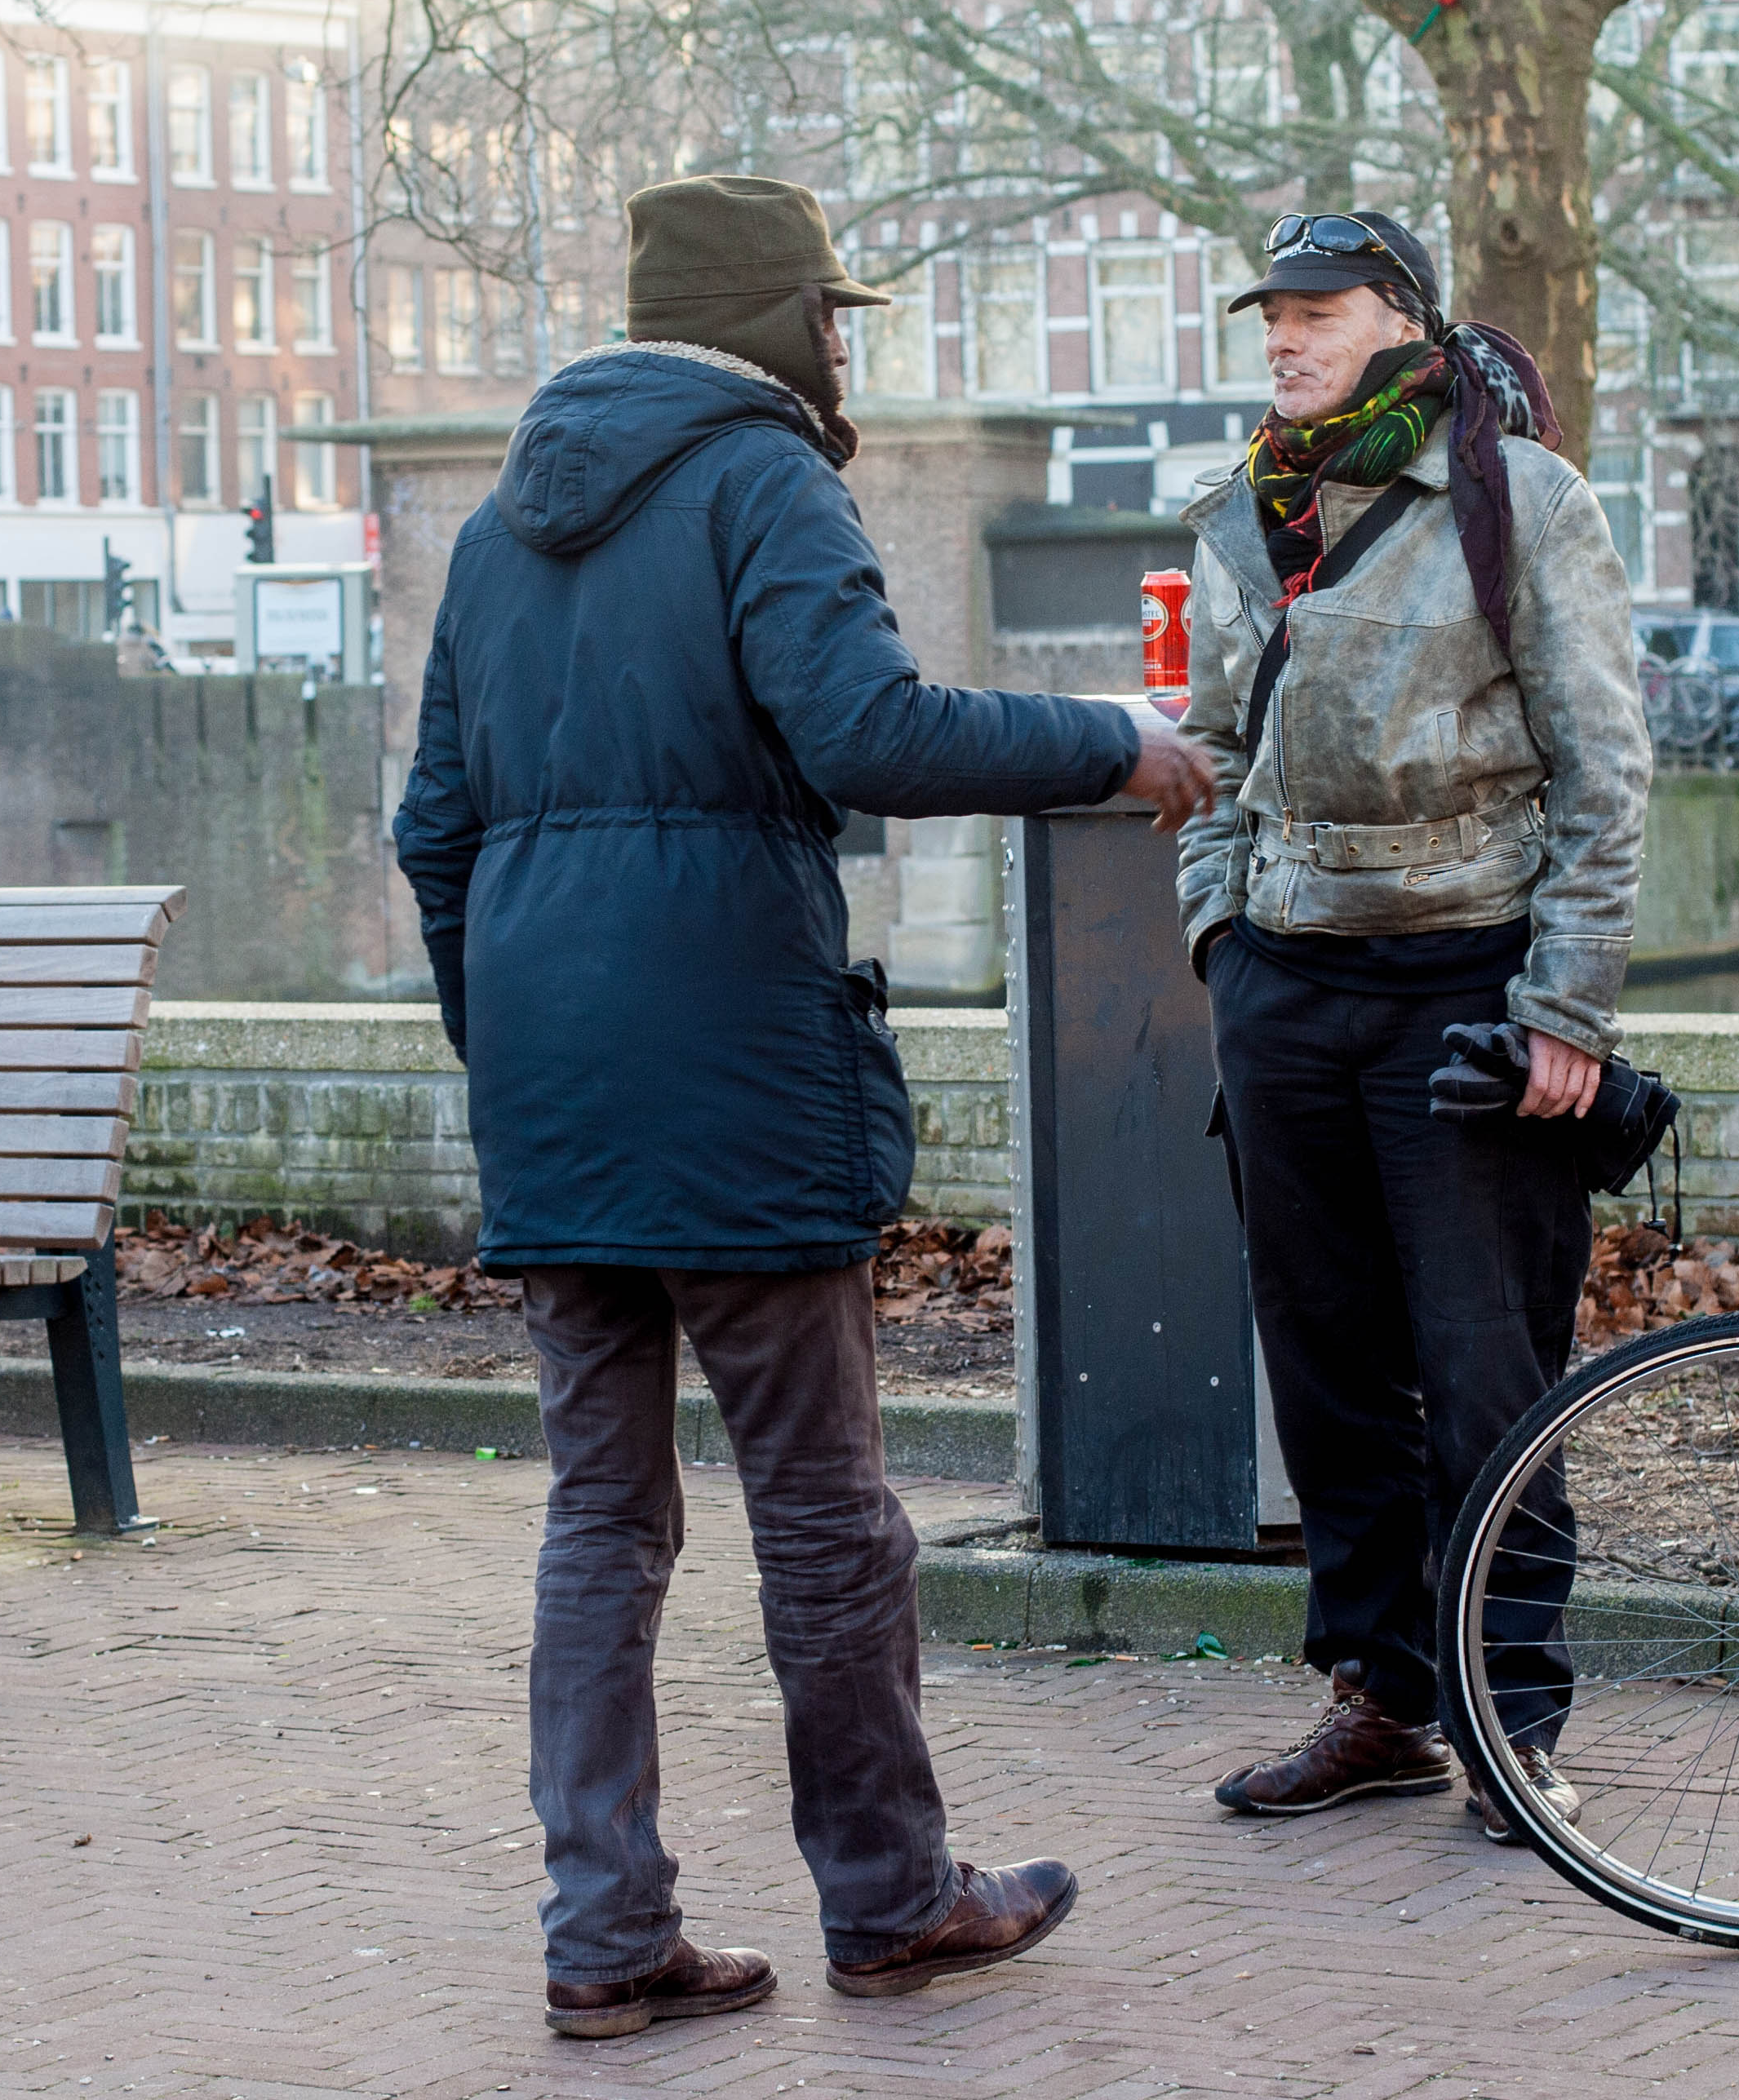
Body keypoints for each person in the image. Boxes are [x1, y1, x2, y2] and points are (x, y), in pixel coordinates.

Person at [393, 175, 1215, 2036]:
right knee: (825, 1510)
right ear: (772, 320)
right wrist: (1116, 741)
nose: (844, 346)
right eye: (830, 315)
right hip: (737, 1073)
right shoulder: (761, 477)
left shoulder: (500, 528)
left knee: (599, 1524)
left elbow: (433, 828)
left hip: (552, 1096)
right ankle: (891, 1899)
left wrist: (502, 1046)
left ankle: (603, 1937)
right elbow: (869, 731)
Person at [1173, 214, 1649, 1841]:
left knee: (1484, 1369)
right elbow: (1209, 754)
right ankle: (1378, 1696)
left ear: (1399, 319)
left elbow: (1602, 766)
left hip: (1468, 980)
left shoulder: (1520, 501)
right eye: (1271, 315)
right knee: (1322, 1368)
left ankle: (1509, 1720)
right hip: (1284, 985)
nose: (1283, 338)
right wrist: (1217, 943)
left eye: (1317, 311)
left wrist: (1564, 1003)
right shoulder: (1237, 508)